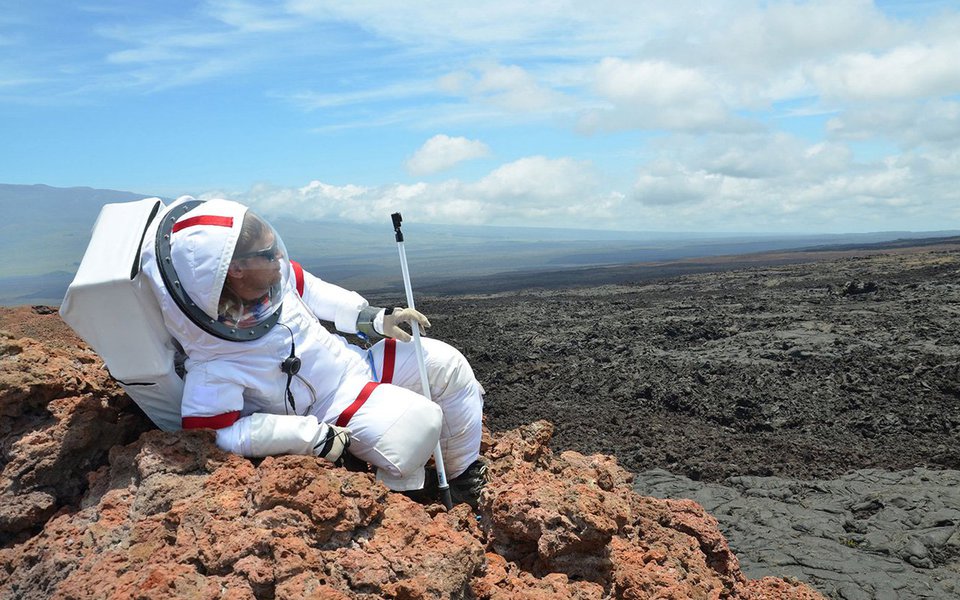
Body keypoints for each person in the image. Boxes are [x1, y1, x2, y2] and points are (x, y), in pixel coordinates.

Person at [140, 196, 486, 506]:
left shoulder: (275, 282)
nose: (279, 258)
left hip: (356, 365)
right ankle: (407, 499)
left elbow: (320, 296)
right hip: (330, 409)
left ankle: (461, 479)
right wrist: (307, 437)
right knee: (415, 425)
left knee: (445, 364)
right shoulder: (214, 360)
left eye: (276, 248)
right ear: (235, 269)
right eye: (267, 254)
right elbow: (215, 435)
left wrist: (377, 320)